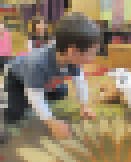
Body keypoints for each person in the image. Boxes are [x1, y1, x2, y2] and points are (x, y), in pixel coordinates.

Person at [2, 12, 100, 141]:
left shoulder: (73, 59)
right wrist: (51, 122)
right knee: (14, 114)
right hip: (16, 79)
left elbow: (80, 81)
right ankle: (12, 95)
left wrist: (84, 106)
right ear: (72, 51)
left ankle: (32, 95)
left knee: (62, 92)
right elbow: (35, 95)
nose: (93, 58)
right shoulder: (38, 63)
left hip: (44, 80)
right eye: (91, 53)